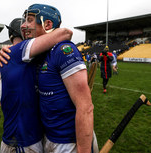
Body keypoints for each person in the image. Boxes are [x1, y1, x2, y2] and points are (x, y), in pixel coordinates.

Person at [21, 4, 98, 153]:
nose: (24, 25)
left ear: (48, 24)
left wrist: (83, 150)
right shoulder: (39, 54)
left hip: (69, 142)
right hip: (49, 137)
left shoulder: (63, 50)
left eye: (30, 20)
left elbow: (86, 107)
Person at [0, 16, 73, 152]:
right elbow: (65, 33)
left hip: (25, 135)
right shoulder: (19, 51)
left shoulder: (19, 57)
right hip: (23, 139)